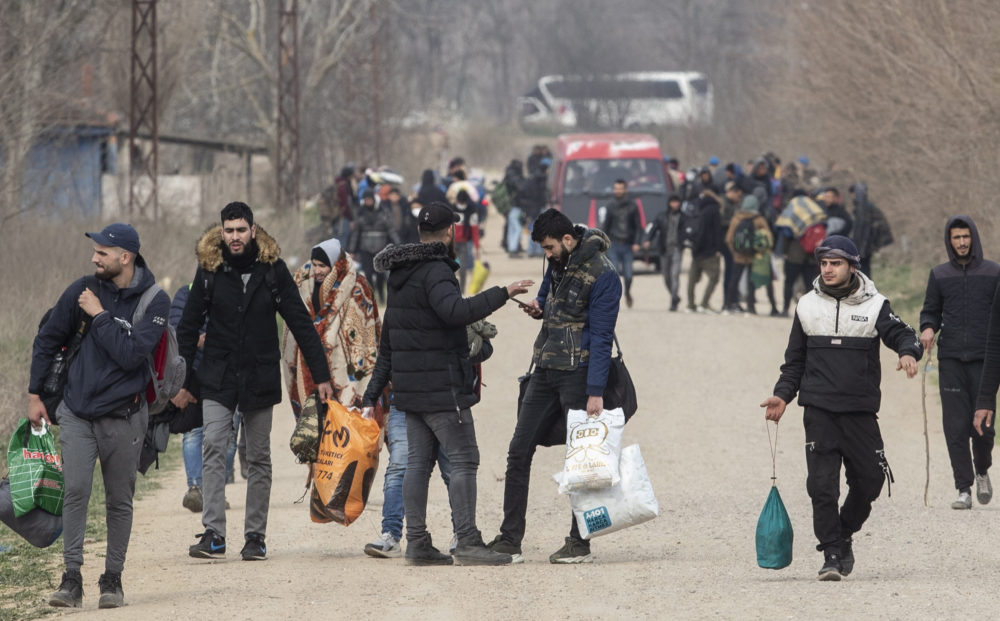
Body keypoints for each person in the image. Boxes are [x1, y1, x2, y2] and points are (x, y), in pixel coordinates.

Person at [360, 202, 531, 567]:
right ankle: (467, 540)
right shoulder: (437, 271)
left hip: (409, 395)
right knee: (465, 459)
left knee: (418, 465)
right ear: (450, 231)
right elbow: (455, 313)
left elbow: (387, 344)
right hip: (441, 391)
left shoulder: (400, 273)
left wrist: (372, 395)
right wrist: (503, 292)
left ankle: (418, 542)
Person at [176, 202, 334, 562]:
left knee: (258, 456)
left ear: (253, 229)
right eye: (228, 230)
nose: (235, 237)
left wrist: (321, 376)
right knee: (214, 445)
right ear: (221, 232)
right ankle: (214, 533)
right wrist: (184, 381)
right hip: (217, 375)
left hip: (259, 376)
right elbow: (187, 328)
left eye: (240, 230)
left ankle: (255, 537)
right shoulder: (209, 269)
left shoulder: (273, 270)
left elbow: (300, 323)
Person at [761, 235, 921, 581]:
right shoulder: (806, 306)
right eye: (824, 263)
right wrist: (782, 396)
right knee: (822, 486)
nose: (829, 269)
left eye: (836, 263)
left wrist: (909, 352)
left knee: (870, 480)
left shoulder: (875, 304)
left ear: (852, 266)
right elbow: (794, 363)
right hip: (818, 410)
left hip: (860, 411)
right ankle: (831, 552)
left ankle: (844, 532)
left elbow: (902, 333)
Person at [29, 223, 169, 608]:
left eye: (102, 252)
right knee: (75, 491)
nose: (94, 258)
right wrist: (34, 394)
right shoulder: (80, 290)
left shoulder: (155, 301)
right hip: (76, 412)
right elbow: (47, 338)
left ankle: (113, 580)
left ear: (125, 257)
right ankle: (71, 579)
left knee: (119, 499)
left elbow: (130, 356)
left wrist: (100, 315)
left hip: (125, 416)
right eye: (94, 251)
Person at [488, 208, 621, 565]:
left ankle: (580, 543)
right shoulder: (557, 262)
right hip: (545, 369)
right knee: (518, 451)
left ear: (567, 239)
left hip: (578, 375)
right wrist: (537, 306)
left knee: (582, 461)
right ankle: (509, 539)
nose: (546, 255)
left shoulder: (605, 275)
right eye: (543, 250)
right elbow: (547, 299)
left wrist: (596, 391)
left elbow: (603, 334)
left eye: (549, 248)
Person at [919, 217, 1000, 509]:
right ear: (949, 241)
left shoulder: (994, 272)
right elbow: (930, 311)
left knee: (984, 427)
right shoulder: (939, 275)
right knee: (955, 425)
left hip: (985, 361)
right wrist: (928, 328)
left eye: (966, 236)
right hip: (951, 358)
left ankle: (982, 470)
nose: (962, 242)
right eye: (956, 238)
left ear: (974, 238)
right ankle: (963, 488)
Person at [348, 188, 401, 303]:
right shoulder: (360, 213)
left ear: (373, 199)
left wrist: (398, 245)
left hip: (380, 247)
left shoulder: (383, 211)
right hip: (365, 247)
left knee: (380, 274)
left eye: (369, 199)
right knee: (368, 273)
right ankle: (371, 295)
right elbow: (355, 233)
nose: (368, 202)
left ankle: (382, 295)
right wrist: (351, 250)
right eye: (366, 200)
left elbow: (391, 229)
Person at [724, 195, 773, 314]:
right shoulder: (759, 220)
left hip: (739, 256)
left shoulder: (736, 218)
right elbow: (768, 238)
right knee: (751, 283)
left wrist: (735, 252)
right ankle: (750, 308)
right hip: (754, 256)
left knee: (734, 280)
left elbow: (728, 239)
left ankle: (728, 305)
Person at [599, 179, 642, 308]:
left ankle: (627, 292)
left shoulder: (633, 206)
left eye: (620, 188)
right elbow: (606, 226)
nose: (618, 191)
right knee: (615, 274)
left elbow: (638, 227)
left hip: (628, 245)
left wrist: (637, 242)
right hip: (614, 244)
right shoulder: (610, 205)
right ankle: (614, 299)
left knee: (629, 275)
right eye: (616, 188)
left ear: (625, 189)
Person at [644, 193, 685, 311]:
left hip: (677, 249)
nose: (675, 204)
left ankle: (673, 302)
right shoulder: (661, 216)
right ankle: (675, 295)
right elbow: (653, 228)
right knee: (666, 277)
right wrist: (648, 240)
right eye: (673, 202)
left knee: (675, 275)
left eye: (677, 202)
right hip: (664, 249)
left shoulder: (684, 217)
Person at [685, 190, 724, 313]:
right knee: (714, 277)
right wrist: (718, 248)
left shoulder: (698, 209)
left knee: (692, 279)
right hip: (709, 251)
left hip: (696, 249)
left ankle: (691, 304)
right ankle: (704, 303)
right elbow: (717, 231)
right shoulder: (714, 210)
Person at [850, 183, 893, 275]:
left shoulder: (864, 208)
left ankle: (865, 288)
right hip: (864, 246)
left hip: (863, 247)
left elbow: (863, 229)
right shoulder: (864, 207)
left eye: (853, 193)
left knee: (863, 271)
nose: (852, 196)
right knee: (863, 270)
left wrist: (863, 246)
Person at [519, 157, 551, 258]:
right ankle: (537, 251)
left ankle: (531, 251)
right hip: (538, 207)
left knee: (532, 230)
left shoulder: (532, 178)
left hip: (531, 208)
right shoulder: (542, 179)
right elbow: (542, 195)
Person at [452, 189, 481, 294]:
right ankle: (452, 290)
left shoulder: (472, 211)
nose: (461, 204)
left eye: (463, 202)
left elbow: (475, 231)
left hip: (464, 243)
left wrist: (477, 248)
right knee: (451, 268)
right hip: (451, 243)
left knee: (463, 268)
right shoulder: (451, 209)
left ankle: (462, 291)